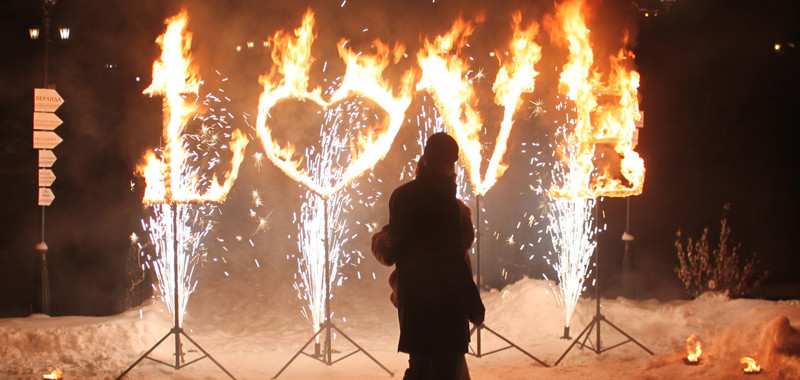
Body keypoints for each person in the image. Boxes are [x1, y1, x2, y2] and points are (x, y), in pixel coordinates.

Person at [372, 132, 484, 380]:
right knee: (446, 372)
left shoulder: (401, 196)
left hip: (414, 305)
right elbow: (453, 260)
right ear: (449, 165)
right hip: (445, 307)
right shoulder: (447, 204)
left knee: (420, 370)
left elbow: (397, 247)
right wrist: (474, 306)